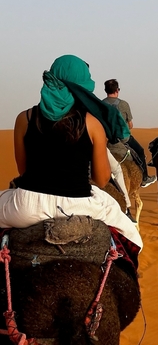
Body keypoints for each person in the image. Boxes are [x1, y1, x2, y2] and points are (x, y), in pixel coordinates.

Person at [0, 55, 142, 249]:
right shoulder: (93, 124)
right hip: (78, 206)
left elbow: (23, 171)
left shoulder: (24, 119)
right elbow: (101, 180)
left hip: (25, 207)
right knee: (132, 236)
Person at [103, 79, 156, 187]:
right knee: (140, 151)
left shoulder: (101, 104)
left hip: (105, 138)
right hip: (123, 138)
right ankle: (144, 178)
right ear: (117, 90)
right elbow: (130, 125)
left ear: (105, 90)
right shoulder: (123, 104)